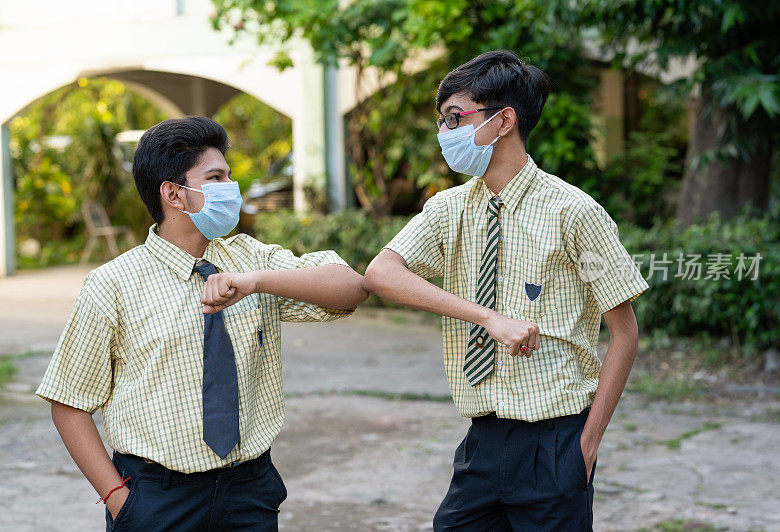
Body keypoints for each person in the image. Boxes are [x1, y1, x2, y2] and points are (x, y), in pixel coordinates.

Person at [36, 116, 368, 531]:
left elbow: (353, 287)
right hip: (156, 498)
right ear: (173, 194)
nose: (232, 188)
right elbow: (68, 403)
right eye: (216, 177)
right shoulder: (113, 285)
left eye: (229, 175)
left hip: (249, 491)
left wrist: (257, 281)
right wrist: (122, 503)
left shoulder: (251, 259)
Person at [363, 50, 648, 530]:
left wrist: (587, 445)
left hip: (556, 441)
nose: (444, 133)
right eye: (441, 121)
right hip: (483, 441)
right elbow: (381, 273)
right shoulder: (449, 209)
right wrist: (485, 316)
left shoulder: (573, 211)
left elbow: (624, 333)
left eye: (455, 118)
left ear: (503, 121)